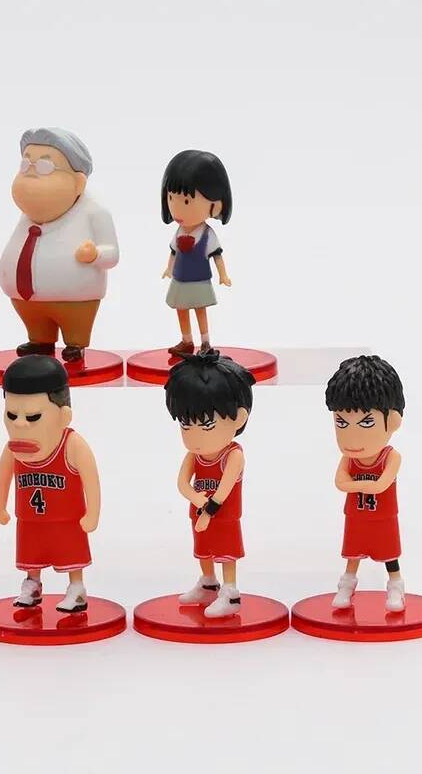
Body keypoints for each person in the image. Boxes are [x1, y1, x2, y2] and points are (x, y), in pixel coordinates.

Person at [0, 127, 119, 363]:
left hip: (76, 300)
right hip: (26, 301)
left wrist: (95, 254)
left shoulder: (95, 213)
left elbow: (112, 254)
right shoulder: (27, 215)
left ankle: (76, 343)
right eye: (26, 165)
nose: (31, 173)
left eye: (45, 166)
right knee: (37, 329)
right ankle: (39, 340)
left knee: (75, 329)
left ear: (78, 182)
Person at [0, 355, 100, 611]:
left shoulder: (72, 445)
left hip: (67, 520)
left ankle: (76, 587)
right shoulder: (12, 450)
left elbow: (92, 481)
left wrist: (93, 515)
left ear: (63, 416)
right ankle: (32, 585)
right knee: (32, 554)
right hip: (29, 519)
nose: (20, 424)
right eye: (12, 415)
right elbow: (3, 477)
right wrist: (0, 507)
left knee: (70, 553)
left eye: (32, 417)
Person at [165, 351, 255, 617]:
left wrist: (208, 512)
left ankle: (230, 592)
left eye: (205, 425)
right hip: (198, 512)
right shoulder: (194, 455)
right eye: (186, 424)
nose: (193, 435)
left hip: (224, 516)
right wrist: (197, 501)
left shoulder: (233, 455)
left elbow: (223, 491)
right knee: (203, 551)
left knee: (226, 553)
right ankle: (208, 584)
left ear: (238, 418)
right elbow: (182, 483)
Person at [325, 355, 406, 612]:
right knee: (353, 554)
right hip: (356, 515)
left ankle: (396, 587)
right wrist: (363, 485)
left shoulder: (390, 457)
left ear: (393, 421)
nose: (352, 436)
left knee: (389, 555)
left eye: (366, 422)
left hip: (383, 517)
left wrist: (356, 484)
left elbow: (381, 485)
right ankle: (347, 586)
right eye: (341, 422)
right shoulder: (349, 458)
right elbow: (340, 482)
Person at [160, 150, 233, 356]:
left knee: (200, 309)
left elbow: (217, 255)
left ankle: (205, 342)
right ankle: (186, 340)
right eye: (171, 198)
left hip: (199, 279)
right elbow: (174, 252)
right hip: (180, 279)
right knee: (181, 309)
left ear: (215, 205)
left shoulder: (207, 234)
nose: (176, 207)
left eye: (185, 201)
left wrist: (223, 275)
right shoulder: (179, 231)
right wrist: (169, 269)